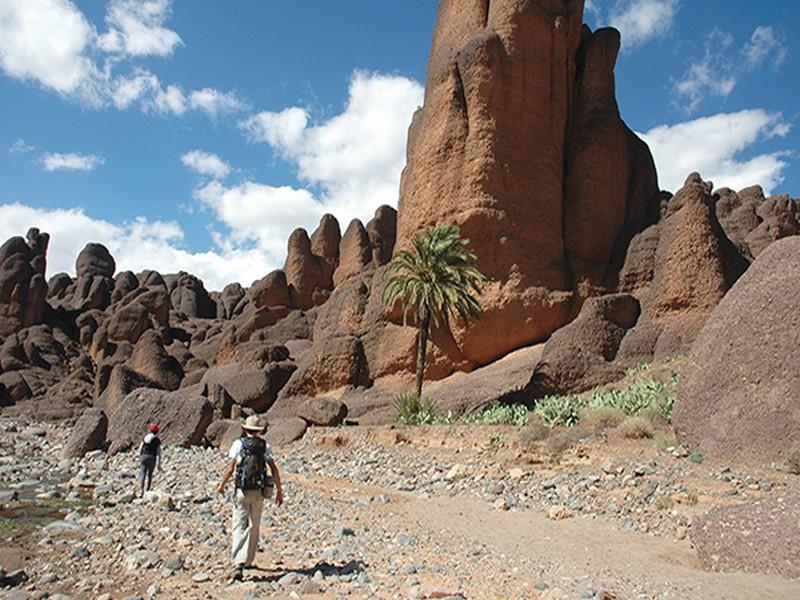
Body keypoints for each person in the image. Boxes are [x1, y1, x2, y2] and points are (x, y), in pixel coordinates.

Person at [216, 415, 284, 582]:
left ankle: (238, 562)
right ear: (258, 431)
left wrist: (222, 485)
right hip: (259, 491)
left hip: (242, 490)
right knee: (254, 526)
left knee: (239, 525)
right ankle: (248, 560)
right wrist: (279, 491)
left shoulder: (238, 444)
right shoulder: (264, 446)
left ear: (245, 429)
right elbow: (274, 468)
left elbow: (231, 467)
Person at [138, 423, 161, 497]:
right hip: (152, 458)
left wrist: (139, 456)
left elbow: (140, 448)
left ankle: (141, 489)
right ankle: (148, 490)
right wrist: (158, 464)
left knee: (142, 473)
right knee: (150, 474)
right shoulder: (157, 440)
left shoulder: (145, 438)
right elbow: (158, 453)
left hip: (143, 457)